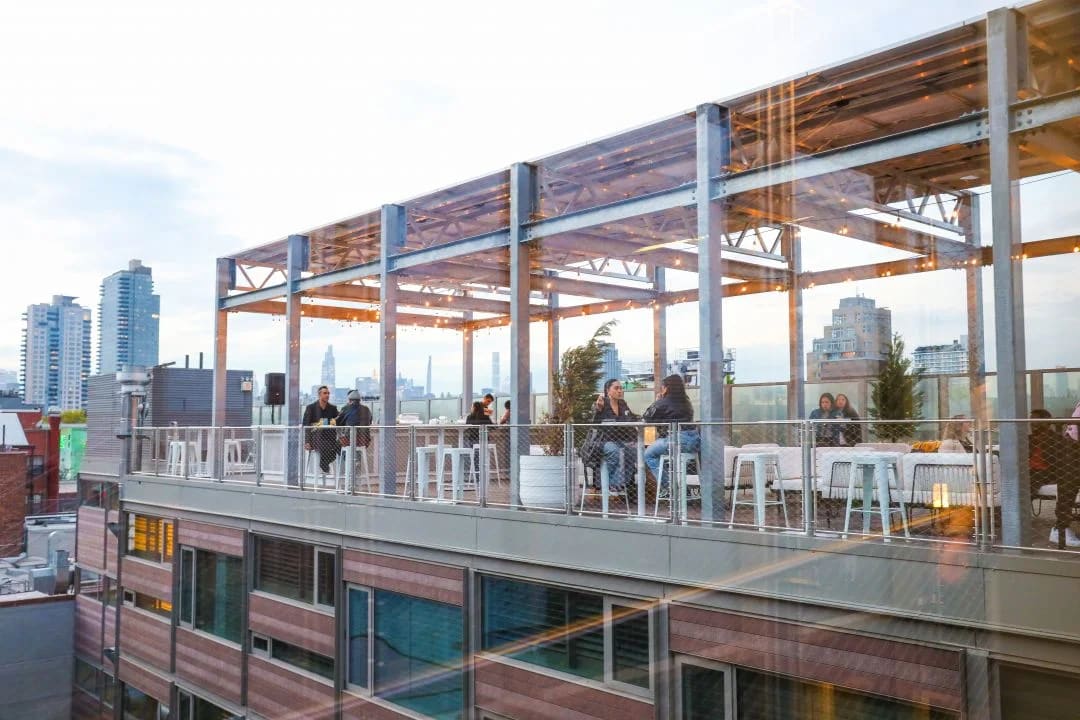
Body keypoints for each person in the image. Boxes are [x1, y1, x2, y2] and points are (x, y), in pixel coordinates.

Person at [1028, 409, 1080, 548]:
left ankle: (1060, 529)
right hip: (1030, 472)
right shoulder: (1028, 439)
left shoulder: (1056, 438)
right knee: (1023, 483)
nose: (1033, 424)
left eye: (1036, 421)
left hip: (1048, 472)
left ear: (1047, 422)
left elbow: (1063, 459)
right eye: (1031, 421)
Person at [643, 374, 699, 491]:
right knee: (659, 449)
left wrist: (658, 400)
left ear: (667, 387)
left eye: (662, 387)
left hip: (676, 441)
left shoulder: (663, 402)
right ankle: (678, 489)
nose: (661, 389)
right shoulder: (686, 402)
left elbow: (647, 417)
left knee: (648, 454)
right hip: (694, 440)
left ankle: (670, 488)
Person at [590, 379, 638, 490]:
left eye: (621, 388)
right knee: (614, 451)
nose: (620, 391)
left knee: (633, 451)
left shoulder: (622, 403)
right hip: (603, 441)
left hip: (621, 440)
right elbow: (594, 422)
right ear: (608, 390)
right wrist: (598, 409)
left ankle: (621, 484)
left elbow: (631, 418)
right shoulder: (602, 403)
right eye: (616, 388)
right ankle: (608, 484)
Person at [303, 386, 339, 473]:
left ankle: (323, 463)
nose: (327, 395)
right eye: (325, 393)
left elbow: (338, 420)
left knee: (339, 446)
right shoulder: (311, 408)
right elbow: (306, 425)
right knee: (327, 446)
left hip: (330, 437)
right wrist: (307, 441)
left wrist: (329, 422)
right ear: (319, 395)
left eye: (328, 393)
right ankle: (324, 464)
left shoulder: (333, 408)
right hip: (316, 438)